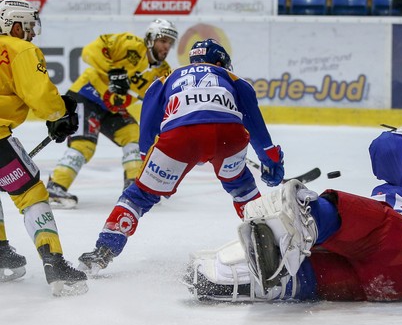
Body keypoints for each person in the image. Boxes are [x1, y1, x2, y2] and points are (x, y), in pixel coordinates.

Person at [183, 127, 402, 302]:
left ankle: (305, 217)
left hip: (398, 232)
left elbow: (386, 149)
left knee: (329, 211)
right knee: (316, 277)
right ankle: (236, 283)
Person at [77, 38, 285, 275]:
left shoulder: (166, 78)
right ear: (220, 62)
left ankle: (103, 251)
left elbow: (148, 120)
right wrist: (270, 159)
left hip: (180, 136)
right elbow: (254, 123)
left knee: (139, 195)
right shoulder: (234, 79)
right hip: (230, 135)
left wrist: (146, 155)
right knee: (242, 188)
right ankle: (271, 248)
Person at [0, 0, 87, 296]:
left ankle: (0, 254)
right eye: (27, 26)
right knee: (30, 193)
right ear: (12, 23)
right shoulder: (19, 49)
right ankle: (54, 261)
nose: (32, 33)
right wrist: (61, 112)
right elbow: (40, 97)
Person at [46, 18, 179, 208]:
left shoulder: (163, 72)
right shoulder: (129, 44)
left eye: (170, 43)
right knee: (84, 145)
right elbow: (89, 52)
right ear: (150, 39)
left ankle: (136, 185)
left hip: (112, 108)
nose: (166, 47)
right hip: (86, 96)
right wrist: (113, 70)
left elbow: (163, 102)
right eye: (163, 41)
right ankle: (55, 186)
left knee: (134, 135)